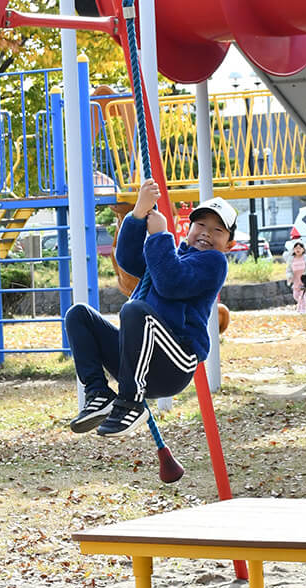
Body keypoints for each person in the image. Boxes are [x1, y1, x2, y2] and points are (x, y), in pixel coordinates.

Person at [65, 181, 235, 437]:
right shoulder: (172, 256)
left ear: (229, 244)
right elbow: (128, 259)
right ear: (189, 228)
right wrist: (137, 215)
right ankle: (98, 392)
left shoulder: (213, 263)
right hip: (136, 359)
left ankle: (131, 402)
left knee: (135, 311)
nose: (206, 233)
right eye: (200, 225)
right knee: (79, 315)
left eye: (217, 230)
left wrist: (158, 236)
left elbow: (171, 283)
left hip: (173, 363)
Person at [287, 239, 306, 313]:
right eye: (296, 248)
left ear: (303, 249)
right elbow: (289, 269)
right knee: (296, 295)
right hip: (295, 280)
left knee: (302, 295)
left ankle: (303, 309)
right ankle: (300, 307)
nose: (298, 250)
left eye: (299, 248)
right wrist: (289, 276)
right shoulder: (291, 259)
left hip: (304, 279)